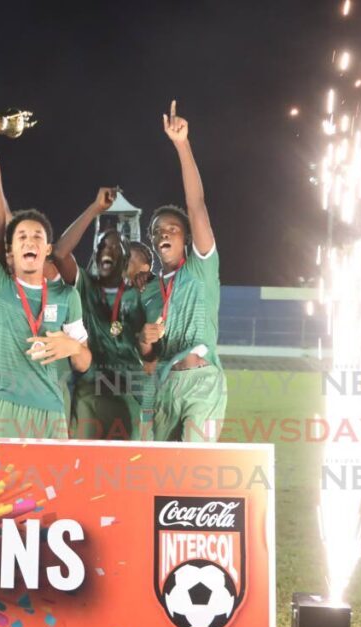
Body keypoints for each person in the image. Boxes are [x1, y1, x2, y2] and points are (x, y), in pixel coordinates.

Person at [0, 132, 91, 440]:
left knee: (51, 489)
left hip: (51, 411)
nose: (30, 241)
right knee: (1, 488)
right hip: (4, 408)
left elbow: (84, 363)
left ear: (48, 249)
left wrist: (73, 346)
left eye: (37, 236)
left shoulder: (67, 296)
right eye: (21, 236)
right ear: (11, 252)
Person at [138, 101, 226, 442]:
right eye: (157, 230)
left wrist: (182, 145)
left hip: (202, 382)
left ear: (187, 237)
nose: (164, 233)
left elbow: (196, 205)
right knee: (164, 476)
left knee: (193, 466)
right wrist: (144, 341)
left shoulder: (201, 267)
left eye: (172, 229)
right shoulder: (147, 290)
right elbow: (149, 356)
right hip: (164, 385)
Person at [52, 188, 146, 440]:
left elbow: (151, 352)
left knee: (126, 472)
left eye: (115, 247)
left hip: (128, 395)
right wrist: (95, 209)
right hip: (89, 394)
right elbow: (59, 253)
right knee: (83, 469)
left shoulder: (140, 294)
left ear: (126, 257)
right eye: (102, 245)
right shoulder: (85, 285)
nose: (107, 250)